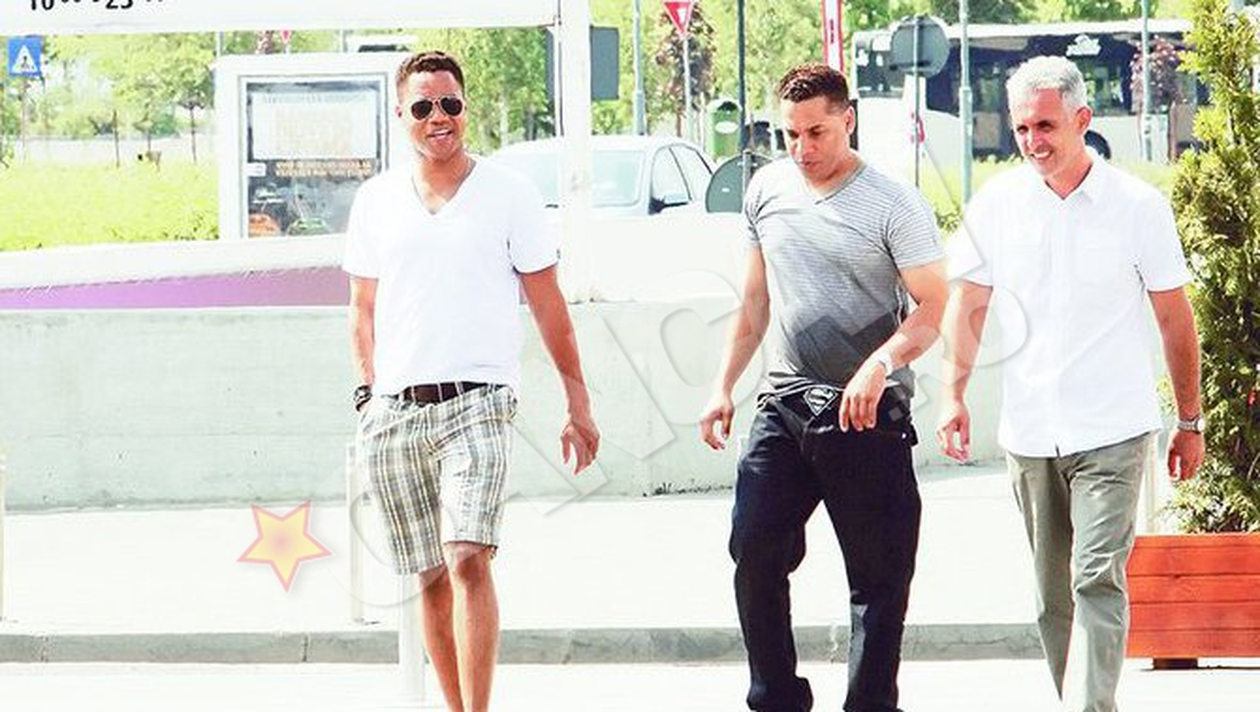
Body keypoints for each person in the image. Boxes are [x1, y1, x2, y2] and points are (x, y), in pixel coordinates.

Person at [936, 56, 1204, 712]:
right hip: (1030, 434)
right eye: (1022, 128)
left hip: (1113, 431)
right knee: (1051, 599)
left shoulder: (1137, 207)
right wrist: (953, 393)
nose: (1033, 141)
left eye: (1046, 126)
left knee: (1095, 580)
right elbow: (968, 306)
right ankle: (1076, 700)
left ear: (1082, 119)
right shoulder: (997, 205)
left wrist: (1189, 420)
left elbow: (1175, 317)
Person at [343, 50, 600, 712]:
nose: (439, 117)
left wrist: (578, 401)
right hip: (395, 412)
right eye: (423, 106)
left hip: (479, 402)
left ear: (466, 108)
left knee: (466, 556)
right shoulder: (375, 201)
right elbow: (362, 310)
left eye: (450, 104)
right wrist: (368, 395)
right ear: (401, 114)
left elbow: (548, 304)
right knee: (429, 575)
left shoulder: (509, 194)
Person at [700, 62, 947, 712]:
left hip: (867, 414)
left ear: (848, 120)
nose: (803, 149)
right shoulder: (767, 189)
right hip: (784, 406)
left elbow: (932, 309)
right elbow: (755, 302)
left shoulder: (893, 203)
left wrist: (881, 362)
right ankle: (776, 696)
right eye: (790, 134)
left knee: (878, 581)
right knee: (754, 546)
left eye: (817, 133)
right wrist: (722, 386)